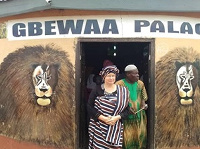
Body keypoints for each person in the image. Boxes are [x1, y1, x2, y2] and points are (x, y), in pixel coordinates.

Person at [87, 65, 130, 149]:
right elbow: (89, 106)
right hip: (99, 127)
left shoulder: (122, 91)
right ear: (103, 77)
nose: (111, 78)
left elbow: (127, 110)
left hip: (115, 128)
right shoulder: (97, 89)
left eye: (113, 76)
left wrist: (116, 118)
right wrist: (103, 118)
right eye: (108, 76)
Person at [115, 64, 148, 149]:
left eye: (138, 73)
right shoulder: (119, 84)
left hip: (139, 117)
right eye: (135, 73)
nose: (138, 75)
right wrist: (127, 108)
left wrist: (144, 105)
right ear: (128, 74)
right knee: (127, 138)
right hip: (125, 117)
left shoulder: (140, 84)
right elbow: (115, 100)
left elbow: (144, 98)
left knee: (140, 136)